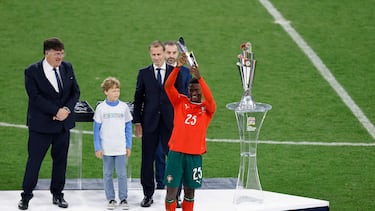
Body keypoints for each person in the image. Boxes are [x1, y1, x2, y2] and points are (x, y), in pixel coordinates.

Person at [18, 37, 80, 210]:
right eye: (56, 54)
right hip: (41, 127)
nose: (60, 57)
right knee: (34, 161)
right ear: (47, 53)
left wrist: (66, 110)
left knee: (60, 162)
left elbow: (75, 92)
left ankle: (58, 194)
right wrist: (55, 111)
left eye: (61, 53)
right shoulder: (32, 71)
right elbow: (35, 97)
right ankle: (26, 196)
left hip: (62, 126)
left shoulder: (67, 67)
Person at [133, 40, 184, 207]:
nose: (156, 58)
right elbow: (138, 98)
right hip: (149, 123)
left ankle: (175, 195)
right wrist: (138, 121)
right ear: (150, 54)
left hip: (171, 124)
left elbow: (181, 98)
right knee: (147, 160)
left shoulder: (175, 72)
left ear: (164, 53)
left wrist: (181, 121)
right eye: (153, 55)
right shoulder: (144, 73)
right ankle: (148, 194)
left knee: (174, 160)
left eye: (159, 54)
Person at [164, 54, 216, 211]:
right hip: (175, 155)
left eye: (197, 90)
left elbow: (211, 99)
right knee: (171, 192)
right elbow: (167, 87)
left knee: (190, 191)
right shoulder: (180, 101)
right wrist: (177, 68)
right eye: (191, 89)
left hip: (194, 156)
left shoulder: (207, 109)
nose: (194, 92)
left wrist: (200, 78)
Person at [154, 41, 191, 207]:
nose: (170, 56)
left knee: (176, 161)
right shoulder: (157, 71)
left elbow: (188, 97)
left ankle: (178, 196)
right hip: (159, 123)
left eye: (173, 53)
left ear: (177, 54)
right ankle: (162, 190)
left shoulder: (184, 73)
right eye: (167, 52)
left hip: (177, 125)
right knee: (159, 156)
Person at [93, 77, 133, 210]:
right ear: (106, 92)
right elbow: (96, 130)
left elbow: (128, 128)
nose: (116, 93)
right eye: (113, 91)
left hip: (120, 147)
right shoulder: (101, 108)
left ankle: (123, 198)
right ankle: (110, 198)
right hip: (106, 148)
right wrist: (98, 147)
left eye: (117, 90)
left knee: (122, 174)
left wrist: (128, 145)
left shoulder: (123, 107)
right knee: (107, 174)